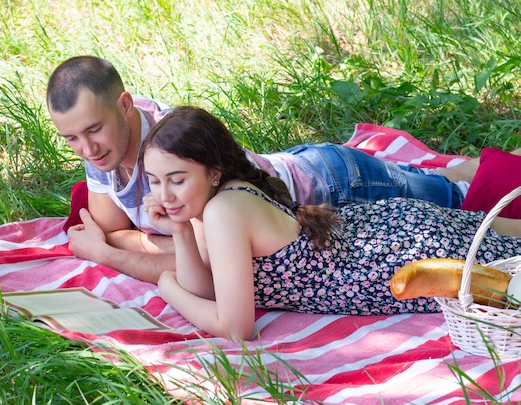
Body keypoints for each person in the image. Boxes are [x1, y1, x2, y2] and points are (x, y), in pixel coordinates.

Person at [45, 55, 503, 284]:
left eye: (93, 131)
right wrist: (156, 242)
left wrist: (119, 252)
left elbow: (199, 268)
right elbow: (107, 226)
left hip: (333, 185)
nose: (87, 149)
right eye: (71, 139)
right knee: (436, 191)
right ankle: (445, 170)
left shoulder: (170, 148)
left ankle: (459, 169)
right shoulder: (103, 149)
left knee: (462, 206)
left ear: (125, 106)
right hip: (294, 184)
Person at [139, 106, 521, 341]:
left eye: (177, 179)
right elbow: (208, 290)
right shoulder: (217, 202)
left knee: (510, 276)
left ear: (214, 171)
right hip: (389, 231)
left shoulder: (224, 211)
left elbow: (236, 328)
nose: (165, 194)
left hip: (398, 255)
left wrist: (166, 286)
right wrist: (181, 232)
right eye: (155, 181)